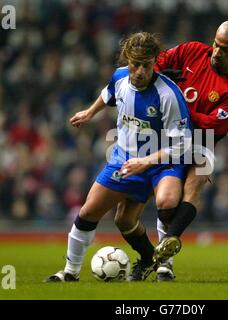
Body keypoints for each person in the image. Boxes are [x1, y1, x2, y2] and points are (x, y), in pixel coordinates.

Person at [45, 31, 192, 282]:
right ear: (127, 60)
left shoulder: (168, 95)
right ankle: (70, 272)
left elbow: (184, 144)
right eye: (135, 64)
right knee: (103, 215)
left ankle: (165, 266)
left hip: (162, 163)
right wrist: (90, 112)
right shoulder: (120, 78)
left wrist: (145, 162)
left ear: (155, 62)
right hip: (125, 160)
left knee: (167, 201)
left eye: (147, 65)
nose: (140, 71)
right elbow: (108, 93)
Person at [114, 20, 228, 281]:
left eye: (225, 49)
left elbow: (215, 124)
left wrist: (177, 106)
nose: (216, 53)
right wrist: (160, 77)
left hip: (203, 141)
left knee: (197, 179)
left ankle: (166, 256)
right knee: (163, 206)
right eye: (216, 45)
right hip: (163, 137)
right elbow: (155, 63)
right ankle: (160, 249)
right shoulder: (191, 51)